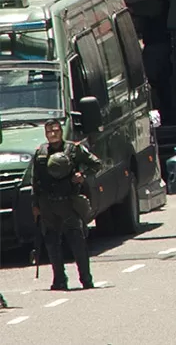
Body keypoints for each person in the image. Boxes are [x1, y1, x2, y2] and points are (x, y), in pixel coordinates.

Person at [28, 119, 102, 290]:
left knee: (77, 242)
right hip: (47, 205)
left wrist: (81, 174)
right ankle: (59, 280)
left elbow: (96, 164)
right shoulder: (40, 152)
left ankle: (86, 279)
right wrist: (35, 205)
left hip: (68, 202)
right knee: (52, 244)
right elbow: (35, 180)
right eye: (49, 132)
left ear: (61, 131)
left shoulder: (73, 149)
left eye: (55, 130)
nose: (53, 134)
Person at [132, 0, 175, 120]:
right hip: (156, 47)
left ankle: (165, 114)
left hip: (158, 47)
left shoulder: (156, 3)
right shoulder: (156, 2)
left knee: (155, 83)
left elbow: (136, 9)